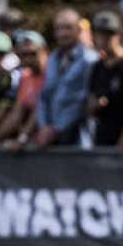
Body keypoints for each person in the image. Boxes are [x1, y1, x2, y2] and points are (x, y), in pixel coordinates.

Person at [35, 9, 98, 147]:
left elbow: (85, 101)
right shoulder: (52, 59)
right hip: (49, 139)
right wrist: (43, 126)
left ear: (78, 29)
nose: (62, 33)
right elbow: (44, 95)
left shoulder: (90, 60)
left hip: (78, 139)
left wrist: (57, 129)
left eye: (68, 28)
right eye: (58, 29)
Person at [87, 10, 123, 148]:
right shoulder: (97, 67)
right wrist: (95, 105)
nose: (104, 39)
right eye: (100, 34)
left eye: (109, 34)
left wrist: (122, 146)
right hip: (101, 137)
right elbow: (89, 106)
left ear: (118, 35)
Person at [0, 30, 46, 148]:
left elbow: (40, 108)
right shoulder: (25, 76)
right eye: (22, 54)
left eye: (32, 53)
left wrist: (22, 138)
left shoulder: (51, 75)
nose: (27, 58)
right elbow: (17, 112)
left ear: (44, 50)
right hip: (30, 137)